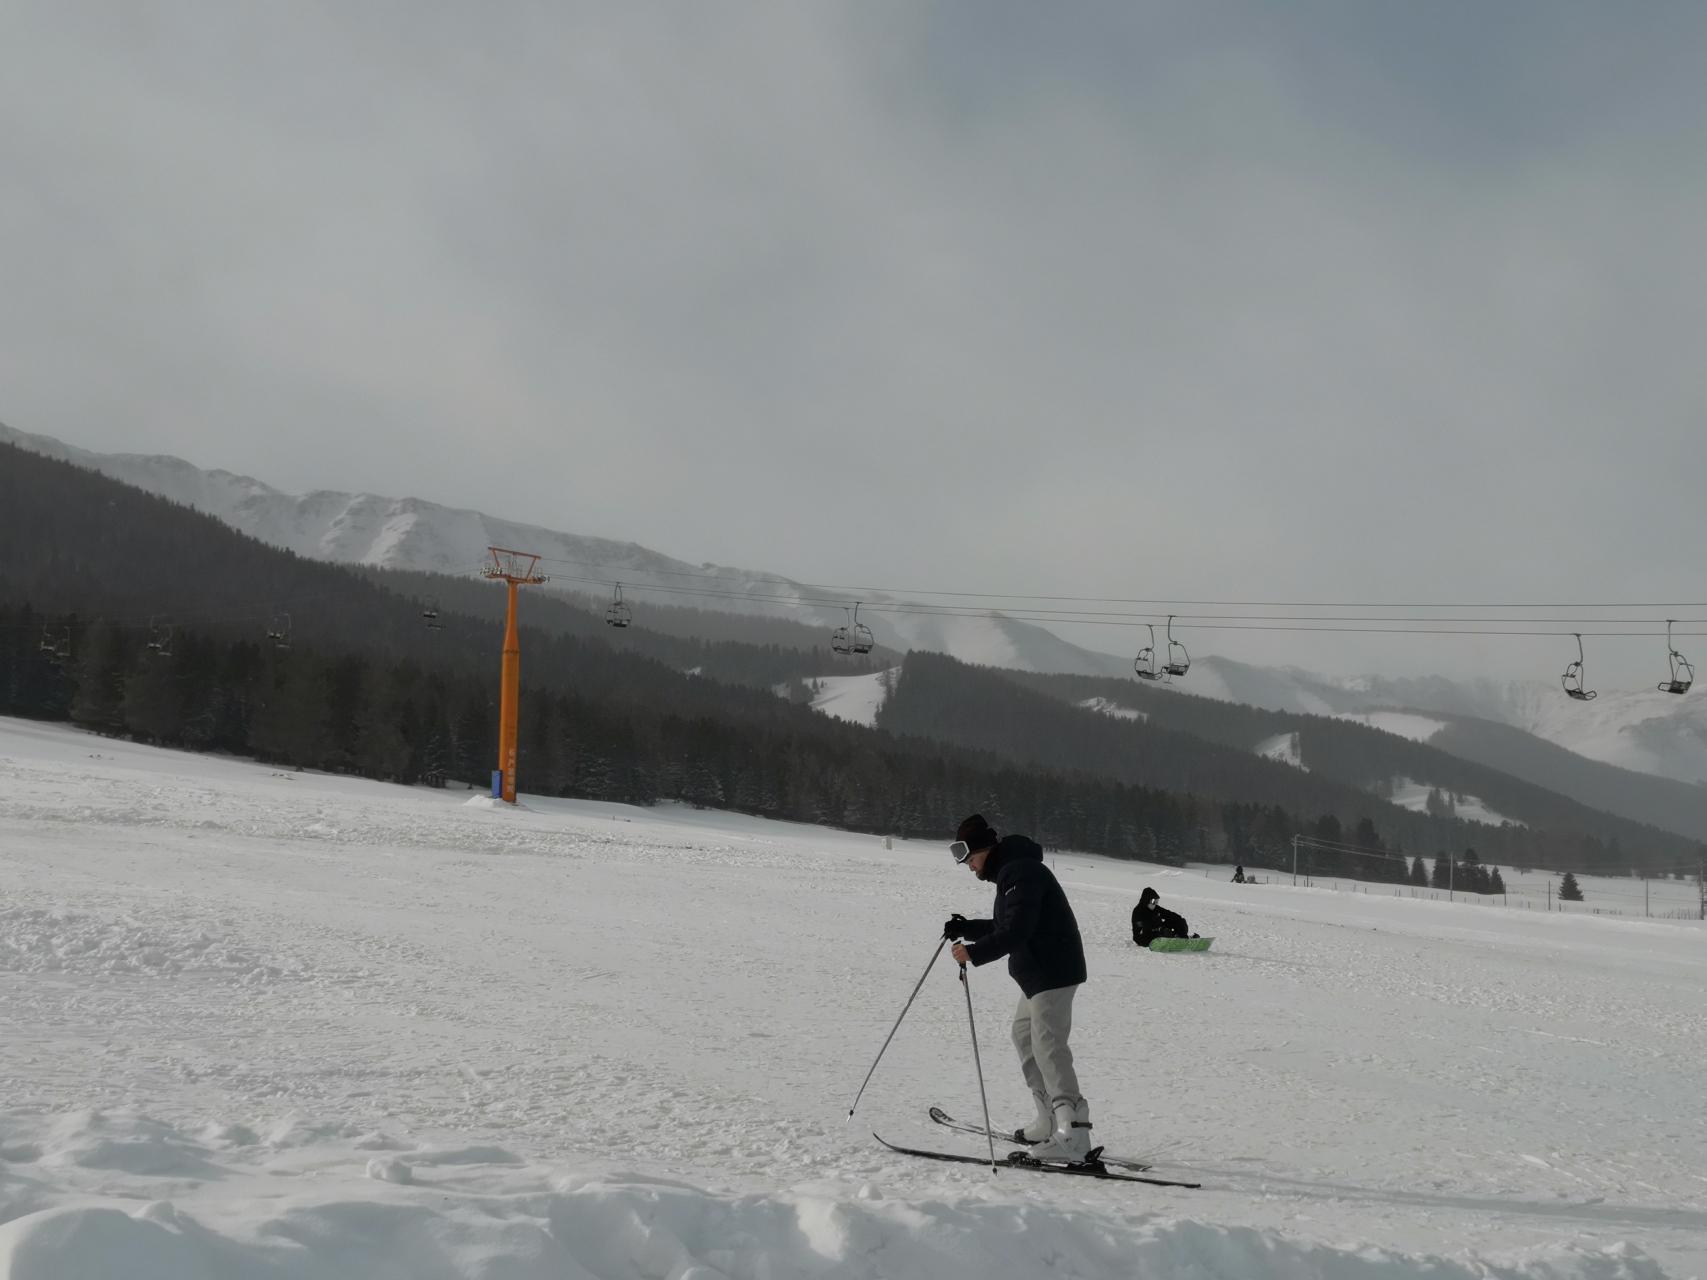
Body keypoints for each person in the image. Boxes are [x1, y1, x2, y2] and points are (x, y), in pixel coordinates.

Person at [943, 814, 1093, 1162]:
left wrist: (974, 952)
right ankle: (1049, 1120)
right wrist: (968, 928)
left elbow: (1018, 930)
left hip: (1053, 970)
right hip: (1040, 973)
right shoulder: (1013, 872)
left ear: (983, 849)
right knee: (1024, 1035)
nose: (969, 867)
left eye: (969, 859)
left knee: (1048, 1045)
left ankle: (1073, 1134)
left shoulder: (1020, 871)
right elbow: (1006, 922)